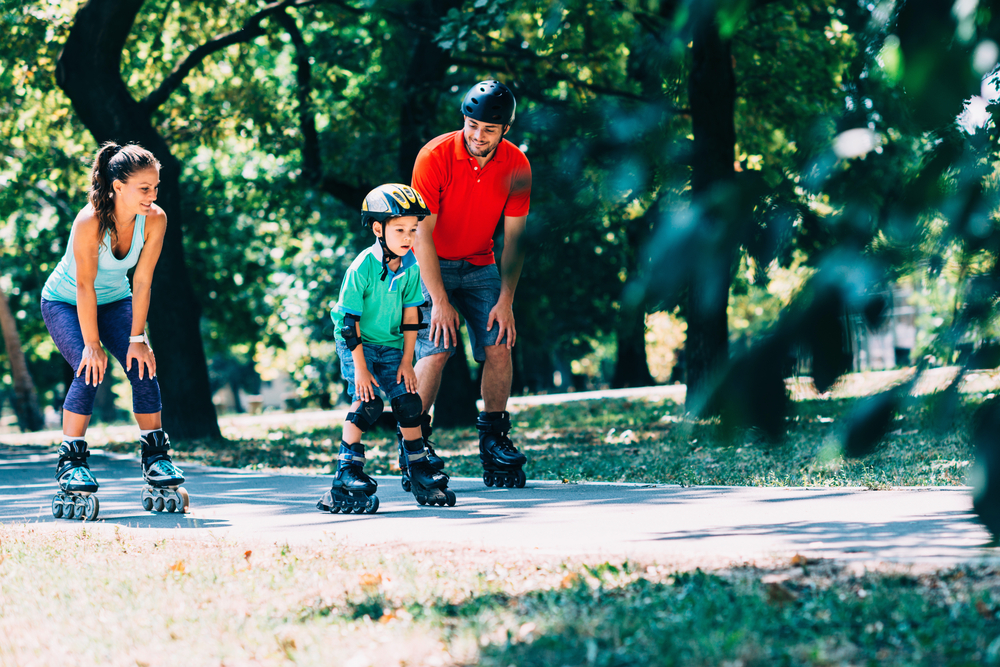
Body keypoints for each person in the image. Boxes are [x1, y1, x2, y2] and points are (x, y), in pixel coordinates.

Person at [40, 142, 187, 520]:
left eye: (155, 187)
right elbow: (84, 286)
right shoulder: (89, 221)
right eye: (144, 188)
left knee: (143, 366)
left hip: (116, 299)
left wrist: (138, 340)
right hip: (64, 300)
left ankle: (155, 456)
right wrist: (92, 345)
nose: (152, 196)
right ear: (117, 185)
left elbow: (143, 281)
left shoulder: (155, 219)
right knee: (89, 369)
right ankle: (71, 458)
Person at [410, 80, 531, 488]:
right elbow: (421, 234)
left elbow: (514, 239)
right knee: (439, 345)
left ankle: (495, 440)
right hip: (430, 264)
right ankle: (414, 446)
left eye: (489, 129)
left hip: (480, 263)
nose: (478, 135)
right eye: (472, 124)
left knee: (500, 339)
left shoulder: (517, 166)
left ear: (506, 130)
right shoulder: (434, 156)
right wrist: (440, 300)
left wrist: (506, 300)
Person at [317, 183, 456, 514]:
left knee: (409, 403)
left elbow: (412, 316)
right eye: (399, 229)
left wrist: (408, 361)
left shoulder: (410, 266)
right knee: (368, 403)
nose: (408, 237)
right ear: (378, 228)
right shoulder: (362, 267)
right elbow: (349, 323)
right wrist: (362, 369)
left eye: (413, 229)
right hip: (357, 344)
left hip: (392, 344)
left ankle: (418, 467)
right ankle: (345, 473)